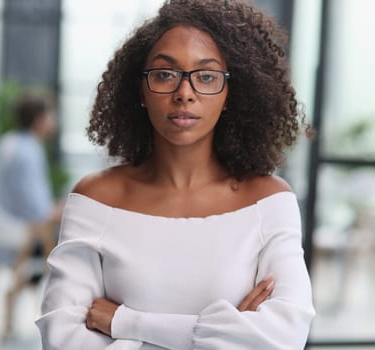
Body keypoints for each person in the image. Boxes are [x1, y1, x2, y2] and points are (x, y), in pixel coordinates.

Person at [36, 0, 315, 348]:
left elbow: (284, 336)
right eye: (165, 74)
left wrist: (125, 322)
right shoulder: (97, 199)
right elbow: (63, 340)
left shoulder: (269, 200)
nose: (185, 94)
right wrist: (228, 334)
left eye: (207, 76)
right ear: (141, 88)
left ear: (231, 92)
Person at [0, 95, 64, 337]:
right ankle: (62, 309)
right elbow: (37, 208)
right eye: (50, 115)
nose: (54, 121)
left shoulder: (11, 142)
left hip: (8, 224)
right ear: (39, 120)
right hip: (26, 231)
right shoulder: (29, 151)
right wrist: (58, 210)